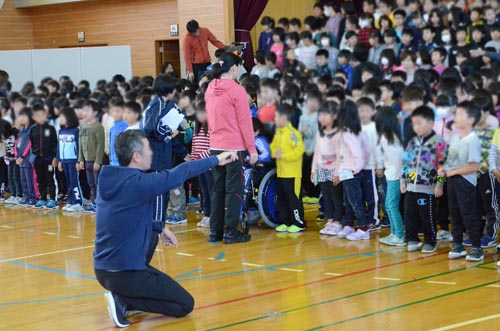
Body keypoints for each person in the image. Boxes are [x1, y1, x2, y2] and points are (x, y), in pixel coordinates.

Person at [93, 129, 237, 328]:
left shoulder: (111, 178)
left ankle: (124, 296)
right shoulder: (139, 183)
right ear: (136, 156)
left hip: (103, 270)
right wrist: (215, 160)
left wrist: (160, 227)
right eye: (148, 149)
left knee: (153, 235)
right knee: (184, 305)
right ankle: (123, 300)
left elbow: (128, 214)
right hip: (123, 272)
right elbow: (180, 173)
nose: (152, 153)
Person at [205, 52, 257, 244]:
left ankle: (215, 231)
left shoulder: (210, 87)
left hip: (215, 146)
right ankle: (230, 231)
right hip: (234, 148)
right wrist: (252, 150)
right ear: (234, 68)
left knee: (218, 189)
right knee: (234, 190)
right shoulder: (237, 91)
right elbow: (245, 123)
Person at [440, 101, 482, 262]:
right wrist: (442, 171)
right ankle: (458, 245)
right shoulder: (455, 137)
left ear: (470, 120)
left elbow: (474, 166)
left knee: (469, 215)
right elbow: (450, 160)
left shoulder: (473, 140)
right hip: (452, 181)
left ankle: (477, 248)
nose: (455, 117)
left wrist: (454, 171)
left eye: (459, 114)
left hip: (465, 182)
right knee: (454, 214)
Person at [402, 106, 447, 253]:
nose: (416, 127)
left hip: (427, 188)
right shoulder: (412, 142)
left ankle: (430, 241)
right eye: (414, 124)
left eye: (419, 123)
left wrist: (439, 185)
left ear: (430, 123)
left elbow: (442, 166)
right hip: (410, 187)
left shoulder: (438, 142)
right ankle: (412, 239)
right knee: (409, 214)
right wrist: (403, 181)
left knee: (427, 216)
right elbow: (406, 163)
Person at [335, 100, 371, 241]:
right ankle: (349, 224)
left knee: (355, 201)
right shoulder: (354, 131)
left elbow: (359, 152)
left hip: (351, 171)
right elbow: (366, 150)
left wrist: (357, 167)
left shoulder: (347, 132)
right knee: (348, 200)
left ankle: (362, 228)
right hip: (346, 171)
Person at [271, 104, 306, 233]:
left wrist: (283, 156)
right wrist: (275, 153)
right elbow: (273, 148)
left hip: (292, 173)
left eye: (276, 117)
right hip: (281, 173)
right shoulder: (278, 133)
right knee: (282, 199)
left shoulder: (293, 134)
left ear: (284, 117)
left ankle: (299, 222)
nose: (274, 119)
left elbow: (299, 151)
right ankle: (286, 222)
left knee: (293, 198)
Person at [313, 102, 344, 236]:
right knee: (326, 196)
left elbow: (340, 155)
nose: (323, 117)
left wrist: (337, 173)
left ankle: (338, 222)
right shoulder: (320, 133)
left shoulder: (338, 134)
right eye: (321, 115)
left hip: (333, 170)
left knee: (336, 196)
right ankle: (330, 220)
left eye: (326, 115)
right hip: (322, 169)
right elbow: (317, 151)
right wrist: (313, 169)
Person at [376, 107, 405, 246]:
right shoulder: (390, 136)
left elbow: (398, 159)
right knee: (389, 205)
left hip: (395, 176)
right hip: (392, 174)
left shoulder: (387, 138)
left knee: (391, 206)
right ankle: (394, 233)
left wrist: (401, 177)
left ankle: (399, 235)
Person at [357, 97, 383, 230]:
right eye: (360, 110)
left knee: (371, 195)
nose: (363, 113)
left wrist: (379, 166)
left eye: (366, 110)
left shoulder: (374, 128)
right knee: (360, 195)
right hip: (357, 168)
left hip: (370, 167)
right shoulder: (355, 127)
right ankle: (364, 218)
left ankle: (374, 219)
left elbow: (377, 148)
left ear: (373, 112)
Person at [78, 100, 105, 213]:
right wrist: (80, 159)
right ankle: (93, 201)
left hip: (95, 161)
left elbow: (100, 145)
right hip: (86, 160)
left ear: (95, 112)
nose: (84, 113)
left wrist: (98, 161)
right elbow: (80, 144)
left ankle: (99, 203)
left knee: (98, 183)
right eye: (83, 110)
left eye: (87, 110)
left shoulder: (98, 127)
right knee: (91, 183)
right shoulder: (83, 127)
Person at [30, 106, 58, 209]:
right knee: (41, 179)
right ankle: (42, 198)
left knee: (50, 179)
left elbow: (55, 143)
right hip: (38, 158)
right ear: (34, 117)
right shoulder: (33, 129)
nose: (40, 117)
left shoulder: (51, 128)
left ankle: (52, 199)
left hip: (49, 158)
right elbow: (32, 143)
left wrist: (55, 157)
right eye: (38, 115)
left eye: (42, 115)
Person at [183, 19, 225, 84]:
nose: (196, 34)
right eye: (193, 33)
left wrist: (226, 48)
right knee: (198, 84)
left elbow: (215, 41)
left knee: (210, 82)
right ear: (190, 32)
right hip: (196, 65)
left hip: (207, 63)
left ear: (198, 27)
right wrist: (190, 71)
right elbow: (187, 56)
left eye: (197, 31)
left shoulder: (205, 31)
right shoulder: (187, 39)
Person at [57, 107, 83, 212]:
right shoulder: (61, 131)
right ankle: (70, 201)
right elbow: (58, 147)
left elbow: (79, 146)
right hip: (64, 160)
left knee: (74, 181)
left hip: (73, 160)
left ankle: (78, 202)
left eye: (62, 116)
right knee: (68, 182)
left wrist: (78, 160)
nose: (60, 118)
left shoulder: (76, 131)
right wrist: (59, 160)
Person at [192, 100, 212, 228]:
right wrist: (194, 159)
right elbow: (194, 145)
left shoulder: (211, 128)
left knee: (211, 192)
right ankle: (207, 214)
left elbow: (213, 147)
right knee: (204, 192)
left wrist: (201, 157)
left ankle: (212, 216)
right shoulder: (197, 129)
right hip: (199, 165)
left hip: (209, 165)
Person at [299, 90, 321, 203]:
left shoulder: (319, 117)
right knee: (305, 172)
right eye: (310, 101)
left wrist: (306, 131)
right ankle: (309, 193)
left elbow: (317, 134)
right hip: (304, 148)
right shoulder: (303, 117)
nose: (312, 104)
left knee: (315, 173)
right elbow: (299, 133)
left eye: (315, 101)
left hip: (315, 149)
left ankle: (316, 194)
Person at [15, 108, 37, 206]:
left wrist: (23, 156)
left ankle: (32, 197)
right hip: (20, 159)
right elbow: (17, 143)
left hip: (27, 158)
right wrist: (16, 156)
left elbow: (30, 143)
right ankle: (26, 196)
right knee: (23, 179)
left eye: (24, 116)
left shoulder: (32, 129)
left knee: (29, 179)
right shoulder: (21, 129)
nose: (21, 118)